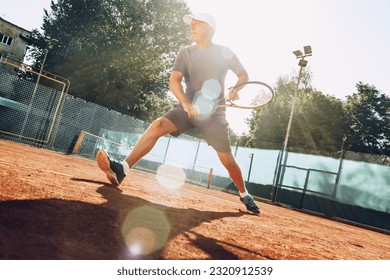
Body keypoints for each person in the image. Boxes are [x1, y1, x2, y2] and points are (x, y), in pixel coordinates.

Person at [96, 13, 260, 214]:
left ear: (209, 29)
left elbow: (243, 75)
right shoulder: (185, 53)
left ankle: (244, 194)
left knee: (227, 160)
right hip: (187, 108)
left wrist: (236, 89)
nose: (191, 27)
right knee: (157, 125)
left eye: (197, 24)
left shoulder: (225, 53)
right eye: (191, 24)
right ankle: (122, 170)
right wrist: (186, 104)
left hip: (215, 115)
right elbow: (174, 81)